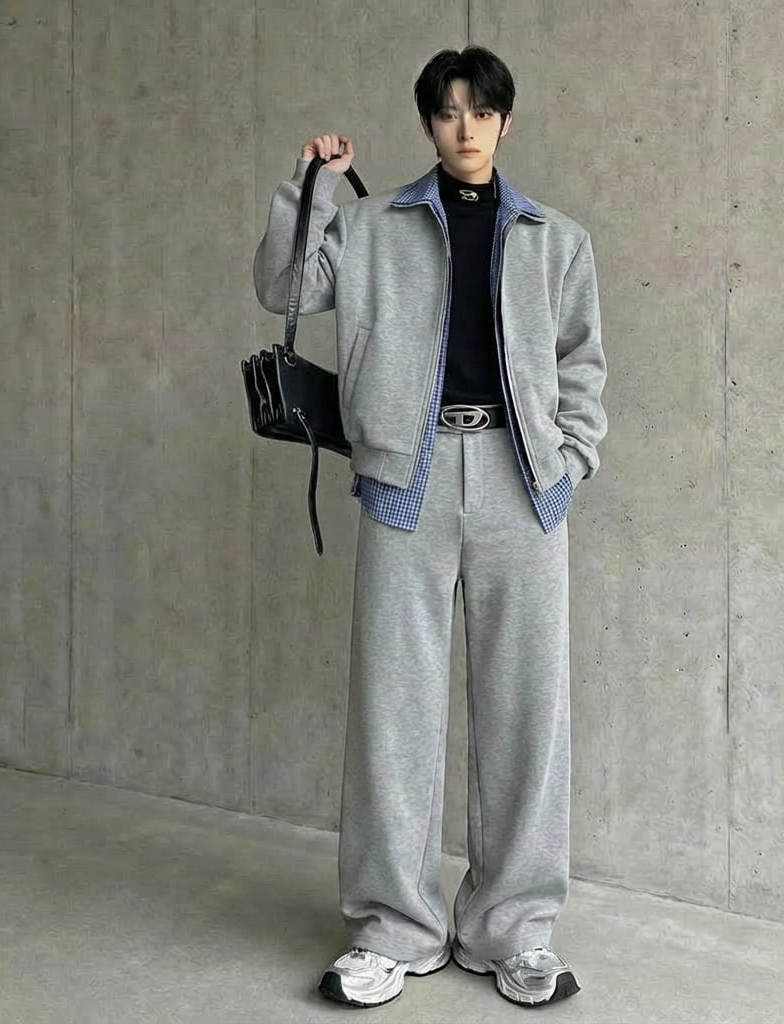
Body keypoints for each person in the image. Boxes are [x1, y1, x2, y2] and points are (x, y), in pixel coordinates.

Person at [253, 45, 607, 1010]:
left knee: (528, 712)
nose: (465, 128)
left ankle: (514, 928)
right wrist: (308, 188)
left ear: (504, 122)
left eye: (480, 112)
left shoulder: (557, 240)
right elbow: (285, 289)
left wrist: (572, 460)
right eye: (448, 112)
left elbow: (583, 363)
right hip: (403, 475)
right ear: (428, 124)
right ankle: (393, 928)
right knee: (393, 712)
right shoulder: (373, 224)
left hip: (522, 483)